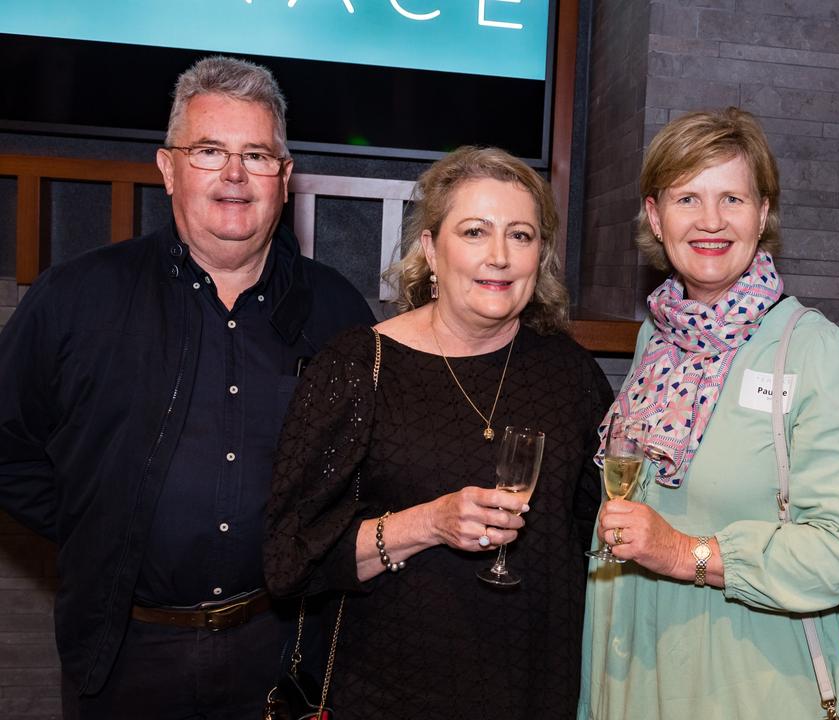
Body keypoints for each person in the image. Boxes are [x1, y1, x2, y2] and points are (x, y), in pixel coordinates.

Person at [0, 56, 374, 718]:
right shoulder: (77, 297)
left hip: (283, 651)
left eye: (256, 155)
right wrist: (98, 518)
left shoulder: (336, 312)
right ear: (168, 168)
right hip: (126, 656)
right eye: (210, 151)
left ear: (284, 179)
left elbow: (369, 468)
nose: (234, 174)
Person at [264, 145, 612, 718]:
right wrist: (428, 522)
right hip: (387, 693)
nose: (499, 256)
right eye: (475, 232)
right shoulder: (359, 366)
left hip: (534, 692)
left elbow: (593, 533)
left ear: (540, 255)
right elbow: (290, 559)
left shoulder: (571, 376)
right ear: (430, 249)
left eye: (521, 235)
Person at [577, 107, 839, 719]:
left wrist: (686, 554)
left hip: (748, 687)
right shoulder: (657, 342)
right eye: (687, 198)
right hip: (634, 675)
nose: (711, 221)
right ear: (654, 214)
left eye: (733, 199)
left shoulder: (814, 351)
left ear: (763, 213)